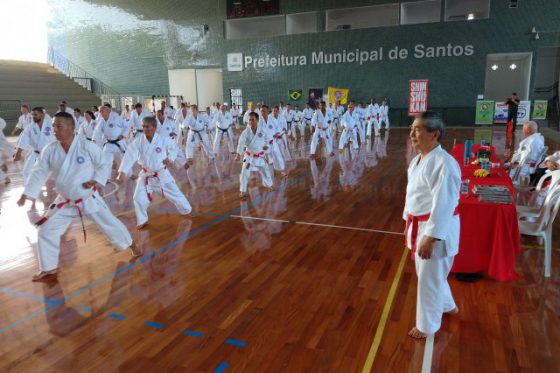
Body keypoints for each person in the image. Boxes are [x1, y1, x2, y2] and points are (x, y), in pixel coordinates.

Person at [17, 112, 140, 281]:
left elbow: (103, 164)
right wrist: (28, 193)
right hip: (65, 201)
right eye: (53, 126)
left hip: (88, 198)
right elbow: (39, 171)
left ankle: (132, 245)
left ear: (71, 128)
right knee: (46, 230)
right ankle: (48, 268)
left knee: (111, 224)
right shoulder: (50, 149)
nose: (54, 130)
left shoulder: (86, 146)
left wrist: (96, 180)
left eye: (58, 126)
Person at [404, 111, 460, 339]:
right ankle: (448, 305)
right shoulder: (419, 160)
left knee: (429, 279)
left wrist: (431, 237)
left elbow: (444, 205)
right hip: (420, 226)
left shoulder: (444, 164)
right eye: (412, 128)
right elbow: (414, 197)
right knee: (431, 276)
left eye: (417, 129)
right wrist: (407, 219)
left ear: (434, 134)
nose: (411, 133)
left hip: (435, 231)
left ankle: (427, 326)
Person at [117, 116, 192, 229]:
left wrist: (170, 158)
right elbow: (129, 155)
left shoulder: (162, 139)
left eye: (147, 126)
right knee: (138, 197)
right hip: (146, 175)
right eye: (143, 126)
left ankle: (186, 210)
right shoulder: (138, 141)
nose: (144, 129)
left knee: (176, 195)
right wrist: (122, 171)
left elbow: (174, 148)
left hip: (161, 174)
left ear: (154, 127)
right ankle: (142, 220)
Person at [235, 112, 273, 199]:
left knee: (266, 171)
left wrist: (266, 147)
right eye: (250, 120)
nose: (251, 121)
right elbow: (241, 144)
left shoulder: (262, 130)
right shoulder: (246, 132)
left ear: (257, 120)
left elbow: (268, 141)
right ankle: (243, 191)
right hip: (249, 157)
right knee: (244, 172)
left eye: (253, 119)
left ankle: (269, 185)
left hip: (260, 156)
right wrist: (238, 154)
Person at [14, 107, 56, 185]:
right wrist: (18, 153)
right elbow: (23, 139)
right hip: (36, 153)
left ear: (42, 115)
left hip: (52, 153)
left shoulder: (51, 124)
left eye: (35, 115)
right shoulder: (30, 127)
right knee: (26, 171)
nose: (33, 117)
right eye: (33, 115)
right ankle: (28, 191)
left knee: (62, 173)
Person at [93, 104, 129, 182]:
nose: (101, 113)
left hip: (119, 143)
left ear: (109, 111)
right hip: (109, 144)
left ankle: (129, 174)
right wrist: (94, 140)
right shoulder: (101, 121)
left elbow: (127, 126)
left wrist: (123, 135)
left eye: (103, 111)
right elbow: (97, 132)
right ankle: (106, 178)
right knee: (106, 161)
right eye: (100, 111)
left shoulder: (116, 118)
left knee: (124, 159)